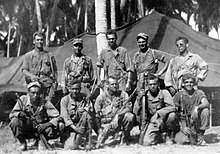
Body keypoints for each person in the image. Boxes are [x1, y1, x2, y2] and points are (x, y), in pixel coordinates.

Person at [9, 81, 64, 151]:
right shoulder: (23, 100)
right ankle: (23, 143)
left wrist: (46, 125)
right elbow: (12, 114)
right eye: (33, 93)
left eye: (37, 93)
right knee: (14, 121)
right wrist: (20, 114)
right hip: (27, 129)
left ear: (40, 94)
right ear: (28, 93)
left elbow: (57, 116)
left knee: (60, 125)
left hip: (41, 129)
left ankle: (41, 140)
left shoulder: (45, 102)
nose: (35, 95)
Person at [133, 74, 179, 145]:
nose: (153, 86)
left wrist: (158, 113)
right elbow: (135, 111)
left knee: (172, 115)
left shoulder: (164, 92)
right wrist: (139, 98)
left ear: (158, 84)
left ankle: (169, 134)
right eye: (150, 84)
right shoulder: (144, 95)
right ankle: (158, 136)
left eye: (154, 84)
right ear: (147, 85)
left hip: (163, 120)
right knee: (146, 142)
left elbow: (172, 107)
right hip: (152, 122)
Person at [94, 76, 135, 146]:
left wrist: (118, 115)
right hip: (106, 123)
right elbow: (97, 114)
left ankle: (125, 136)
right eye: (112, 84)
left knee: (129, 116)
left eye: (116, 84)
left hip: (119, 121)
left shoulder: (123, 94)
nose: (115, 86)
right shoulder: (101, 97)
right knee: (104, 142)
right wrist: (100, 130)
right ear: (107, 85)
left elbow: (129, 108)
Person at [173, 73, 209, 145]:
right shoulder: (179, 95)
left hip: (195, 119)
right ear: (183, 84)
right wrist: (181, 126)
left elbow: (206, 103)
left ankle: (200, 136)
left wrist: (197, 107)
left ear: (194, 83)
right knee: (182, 141)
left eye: (191, 82)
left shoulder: (199, 92)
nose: (189, 84)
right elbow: (174, 111)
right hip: (184, 121)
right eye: (186, 82)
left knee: (205, 110)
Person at [22, 31, 58, 101]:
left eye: (41, 40)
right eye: (37, 40)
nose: (40, 41)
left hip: (47, 86)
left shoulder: (49, 55)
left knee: (48, 105)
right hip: (34, 86)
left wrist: (54, 83)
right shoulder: (28, 55)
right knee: (31, 105)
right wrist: (31, 76)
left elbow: (55, 71)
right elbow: (24, 70)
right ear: (34, 41)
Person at [60, 79, 94, 150]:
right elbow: (65, 117)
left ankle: (88, 139)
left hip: (82, 125)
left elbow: (91, 112)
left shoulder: (85, 98)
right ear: (69, 89)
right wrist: (76, 129)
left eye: (77, 89)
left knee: (87, 114)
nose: (75, 91)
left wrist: (85, 110)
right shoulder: (64, 100)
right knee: (71, 147)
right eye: (73, 89)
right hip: (70, 127)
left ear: (80, 89)